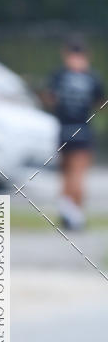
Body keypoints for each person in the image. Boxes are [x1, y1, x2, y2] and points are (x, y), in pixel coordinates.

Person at [44, 38, 104, 231]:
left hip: (63, 129)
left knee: (67, 173)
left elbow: (50, 99)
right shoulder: (92, 77)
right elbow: (100, 103)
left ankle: (67, 211)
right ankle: (74, 213)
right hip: (82, 129)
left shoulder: (59, 75)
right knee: (77, 174)